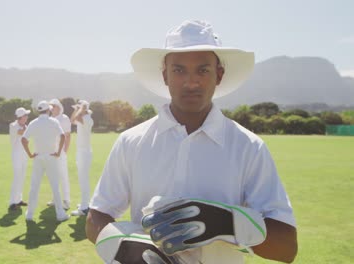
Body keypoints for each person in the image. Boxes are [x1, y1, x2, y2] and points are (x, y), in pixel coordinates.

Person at [86, 20, 298, 263]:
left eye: (203, 70)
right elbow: (97, 217)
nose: (191, 82)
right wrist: (130, 250)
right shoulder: (130, 142)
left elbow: (286, 248)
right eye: (178, 70)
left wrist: (226, 223)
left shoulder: (249, 147)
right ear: (164, 75)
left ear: (219, 75)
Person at [22, 100, 69, 222]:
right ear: (48, 110)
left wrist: (30, 154)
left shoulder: (33, 123)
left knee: (34, 186)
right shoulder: (54, 121)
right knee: (55, 186)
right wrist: (58, 152)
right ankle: (60, 214)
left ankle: (29, 215)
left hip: (38, 157)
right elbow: (63, 136)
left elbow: (24, 140)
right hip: (51, 157)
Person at [46, 98, 72, 210]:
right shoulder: (50, 119)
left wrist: (65, 151)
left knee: (63, 176)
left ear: (59, 107)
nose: (51, 108)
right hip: (51, 152)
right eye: (50, 106)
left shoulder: (64, 118)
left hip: (60, 152)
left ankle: (66, 201)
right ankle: (55, 199)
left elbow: (68, 135)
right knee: (53, 176)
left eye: (53, 106)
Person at [70, 100, 94, 216]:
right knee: (82, 179)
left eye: (79, 109)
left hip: (84, 153)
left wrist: (80, 108)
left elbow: (74, 119)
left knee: (83, 180)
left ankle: (85, 208)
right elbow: (72, 120)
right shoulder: (82, 117)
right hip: (81, 152)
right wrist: (77, 109)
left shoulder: (87, 119)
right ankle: (85, 203)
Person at [8, 107, 31, 210]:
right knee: (17, 177)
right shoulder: (13, 126)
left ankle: (19, 199)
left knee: (22, 177)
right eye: (25, 115)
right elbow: (21, 132)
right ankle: (12, 202)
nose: (27, 117)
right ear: (21, 117)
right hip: (16, 154)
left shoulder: (25, 126)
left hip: (24, 154)